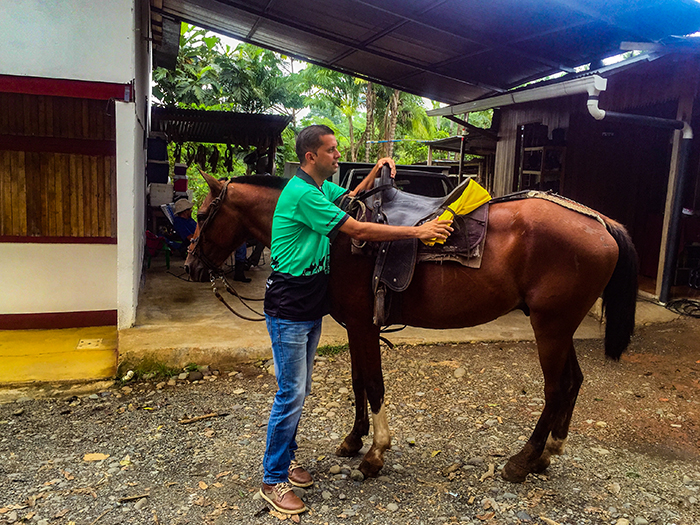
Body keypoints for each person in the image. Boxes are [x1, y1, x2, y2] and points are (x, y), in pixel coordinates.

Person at [259, 124, 453, 515]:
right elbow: (357, 227)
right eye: (331, 151)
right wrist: (418, 231)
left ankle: (286, 459)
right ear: (310, 157)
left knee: (299, 389)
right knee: (291, 393)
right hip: (290, 307)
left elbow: (351, 198)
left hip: (307, 305)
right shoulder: (301, 195)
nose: (337, 155)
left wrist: (376, 169)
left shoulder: (316, 188)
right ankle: (273, 477)